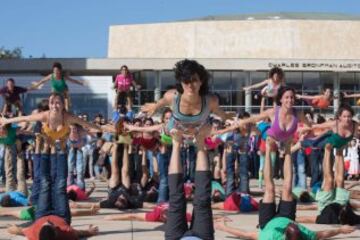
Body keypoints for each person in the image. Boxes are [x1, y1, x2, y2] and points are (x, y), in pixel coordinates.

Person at [215, 119, 356, 239]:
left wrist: (224, 227)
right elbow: (321, 234)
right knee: (287, 188)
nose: (295, 225)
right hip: (286, 216)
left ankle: (271, 148)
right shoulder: (302, 234)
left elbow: (245, 234)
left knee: (270, 189)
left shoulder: (269, 236)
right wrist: (340, 230)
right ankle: (288, 148)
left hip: (267, 222)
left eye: (293, 226)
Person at [0, 93, 101, 224]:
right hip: (47, 150)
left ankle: (53, 214)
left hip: (60, 149)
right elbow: (25, 117)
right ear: (49, 104)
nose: (54, 105)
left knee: (57, 184)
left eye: (57, 102)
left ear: (63, 104)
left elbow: (86, 123)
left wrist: (102, 128)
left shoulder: (67, 117)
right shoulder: (44, 116)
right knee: (48, 183)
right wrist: (7, 121)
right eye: (52, 103)